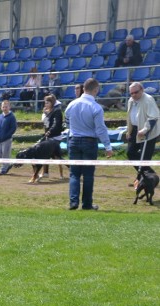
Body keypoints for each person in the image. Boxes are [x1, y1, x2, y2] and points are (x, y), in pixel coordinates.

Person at [64, 78, 113, 210]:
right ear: (95, 90)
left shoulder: (71, 104)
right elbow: (100, 129)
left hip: (73, 140)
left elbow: (67, 121)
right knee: (88, 174)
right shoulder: (96, 107)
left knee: (74, 173)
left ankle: (73, 203)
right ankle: (87, 204)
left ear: (83, 88)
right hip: (89, 141)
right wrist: (108, 146)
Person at [124, 81, 159, 179]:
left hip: (149, 131)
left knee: (145, 158)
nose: (134, 95)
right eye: (131, 93)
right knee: (130, 153)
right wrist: (129, 131)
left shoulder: (148, 99)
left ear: (142, 90)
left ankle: (141, 178)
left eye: (136, 92)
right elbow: (130, 117)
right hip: (135, 130)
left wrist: (144, 130)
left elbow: (153, 117)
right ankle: (150, 174)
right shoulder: (130, 100)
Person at [40, 94, 65, 178]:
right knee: (45, 154)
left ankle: (71, 167)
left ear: (52, 103)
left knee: (56, 156)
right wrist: (45, 114)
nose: (45, 104)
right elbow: (46, 124)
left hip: (55, 136)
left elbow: (56, 124)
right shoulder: (47, 112)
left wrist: (50, 131)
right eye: (45, 103)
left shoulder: (57, 111)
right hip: (48, 136)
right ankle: (45, 173)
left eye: (47, 103)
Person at [0, 99, 17, 175]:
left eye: (6, 107)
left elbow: (13, 128)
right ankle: (7, 165)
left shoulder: (12, 117)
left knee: (5, 154)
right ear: (1, 107)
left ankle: (3, 169)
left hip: (7, 139)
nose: (4, 108)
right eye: (3, 107)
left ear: (9, 107)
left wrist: (7, 135)